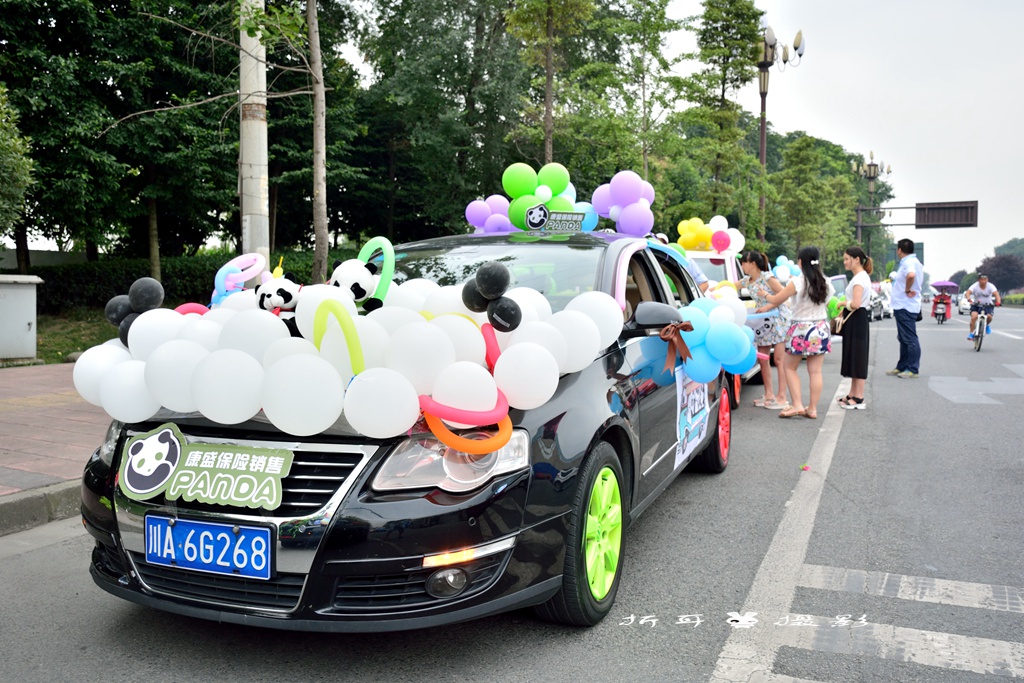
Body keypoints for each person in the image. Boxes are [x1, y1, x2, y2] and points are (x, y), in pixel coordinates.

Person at [755, 246, 831, 419]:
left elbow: (776, 299)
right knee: (816, 371)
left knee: (789, 367)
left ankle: (796, 404)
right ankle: (812, 409)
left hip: (800, 329)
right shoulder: (826, 281)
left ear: (800, 262)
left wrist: (764, 295)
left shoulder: (798, 282)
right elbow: (826, 302)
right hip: (820, 328)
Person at [739, 251, 789, 409]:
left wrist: (768, 304)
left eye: (744, 262)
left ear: (752, 263)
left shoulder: (768, 278)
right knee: (763, 358)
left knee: (779, 360)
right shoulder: (747, 281)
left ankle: (782, 396)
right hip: (763, 322)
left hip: (778, 319)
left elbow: (784, 295)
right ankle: (769, 394)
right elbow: (729, 285)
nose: (742, 266)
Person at [837, 247, 872, 410]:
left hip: (857, 319)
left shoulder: (859, 279)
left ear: (856, 259)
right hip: (856, 320)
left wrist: (843, 303)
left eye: (846, 259)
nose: (845, 262)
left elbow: (856, 304)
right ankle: (853, 393)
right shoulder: (860, 277)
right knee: (854, 354)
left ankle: (859, 397)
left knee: (858, 356)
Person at [886, 239, 923, 379]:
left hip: (905, 305)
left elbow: (911, 275)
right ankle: (902, 366)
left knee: (910, 338)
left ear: (899, 250)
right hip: (905, 305)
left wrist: (907, 289)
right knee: (903, 337)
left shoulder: (909, 263)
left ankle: (912, 369)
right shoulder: (915, 262)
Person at [964, 274, 1001, 340]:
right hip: (976, 305)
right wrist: (969, 299)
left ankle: (986, 325)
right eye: (982, 280)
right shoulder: (975, 285)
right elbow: (968, 292)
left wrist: (998, 302)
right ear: (979, 280)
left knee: (989, 317)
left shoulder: (991, 286)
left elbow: (996, 294)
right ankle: (971, 333)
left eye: (985, 280)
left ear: (987, 280)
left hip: (988, 305)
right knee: (974, 317)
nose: (983, 281)